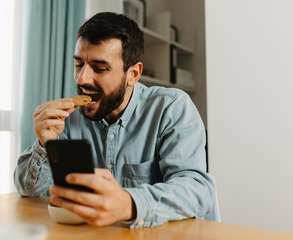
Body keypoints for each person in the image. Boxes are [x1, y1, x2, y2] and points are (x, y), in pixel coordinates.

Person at [14, 12, 217, 228]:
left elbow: (197, 190)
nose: (82, 78)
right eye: (78, 64)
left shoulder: (171, 108)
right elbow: (28, 191)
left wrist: (129, 204)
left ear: (133, 74)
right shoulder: (67, 119)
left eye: (100, 68)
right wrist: (45, 144)